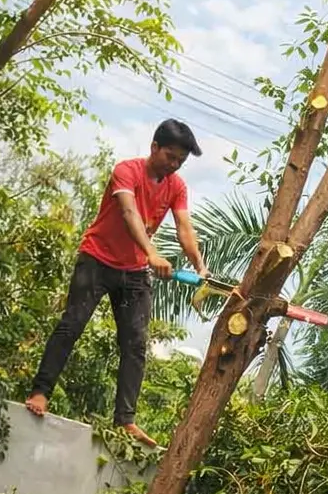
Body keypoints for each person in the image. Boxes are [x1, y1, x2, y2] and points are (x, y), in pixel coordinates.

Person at [25, 120, 207, 447]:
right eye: (170, 156)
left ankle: (125, 421)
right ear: (154, 147)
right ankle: (40, 392)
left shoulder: (176, 186)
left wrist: (200, 266)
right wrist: (151, 252)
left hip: (134, 273)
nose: (174, 164)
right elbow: (129, 213)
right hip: (97, 260)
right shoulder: (126, 171)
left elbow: (184, 228)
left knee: (136, 344)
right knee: (72, 325)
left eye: (180, 160)